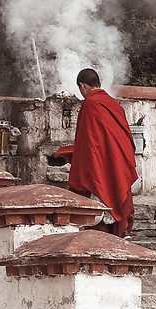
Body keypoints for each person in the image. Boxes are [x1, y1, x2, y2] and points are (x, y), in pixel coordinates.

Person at [52, 68, 138, 238]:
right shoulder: (113, 104)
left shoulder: (90, 104)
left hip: (99, 161)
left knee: (96, 191)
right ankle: (118, 231)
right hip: (117, 159)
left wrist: (70, 155)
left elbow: (87, 142)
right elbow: (121, 137)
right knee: (115, 189)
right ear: (99, 84)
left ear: (83, 86)